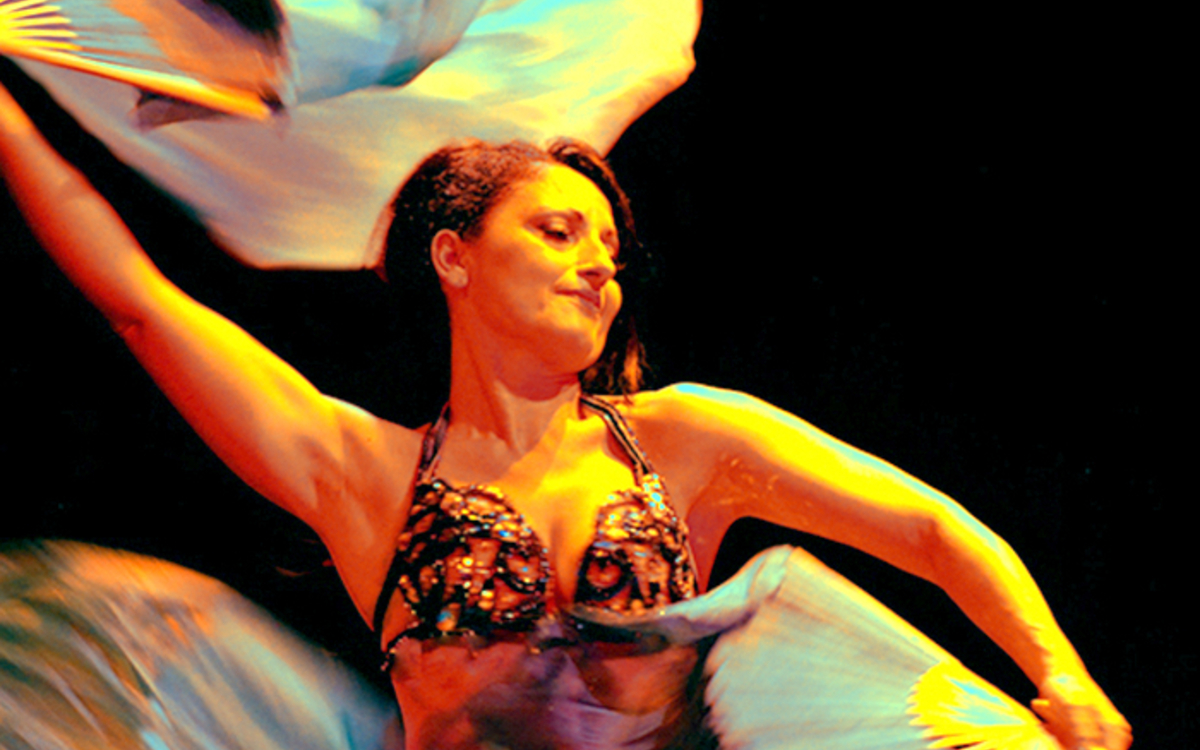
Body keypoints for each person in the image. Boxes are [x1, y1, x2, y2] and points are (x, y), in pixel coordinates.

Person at [0, 78, 1131, 750]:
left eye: (609, 247)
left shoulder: (689, 443)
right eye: (557, 232)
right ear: (453, 258)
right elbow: (139, 303)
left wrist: (1060, 673)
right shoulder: (366, 475)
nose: (601, 266)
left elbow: (933, 529)